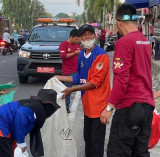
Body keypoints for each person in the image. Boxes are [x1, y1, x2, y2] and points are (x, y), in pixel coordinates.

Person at [100, 4, 155, 157]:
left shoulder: (125, 42)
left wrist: (109, 108)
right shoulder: (144, 41)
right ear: (137, 22)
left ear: (118, 22)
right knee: (140, 152)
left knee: (118, 152)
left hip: (130, 107)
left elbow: (121, 79)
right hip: (146, 107)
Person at [56, 24, 110, 157]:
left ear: (95, 36)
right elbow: (79, 77)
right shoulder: (81, 56)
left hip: (99, 107)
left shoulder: (100, 56)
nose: (87, 37)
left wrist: (72, 89)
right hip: (87, 106)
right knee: (88, 140)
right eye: (84, 35)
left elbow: (94, 82)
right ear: (80, 38)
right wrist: (59, 77)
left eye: (90, 34)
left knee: (97, 143)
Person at [0, 89, 60, 157]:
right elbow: (21, 114)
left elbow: (14, 127)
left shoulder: (26, 103)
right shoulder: (37, 108)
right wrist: (21, 143)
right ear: (49, 106)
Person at [59, 28, 81, 113]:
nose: (76, 41)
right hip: (68, 72)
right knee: (68, 91)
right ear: (71, 37)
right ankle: (66, 107)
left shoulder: (78, 45)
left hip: (77, 71)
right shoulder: (63, 44)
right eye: (76, 39)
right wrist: (75, 53)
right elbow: (63, 56)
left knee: (83, 86)